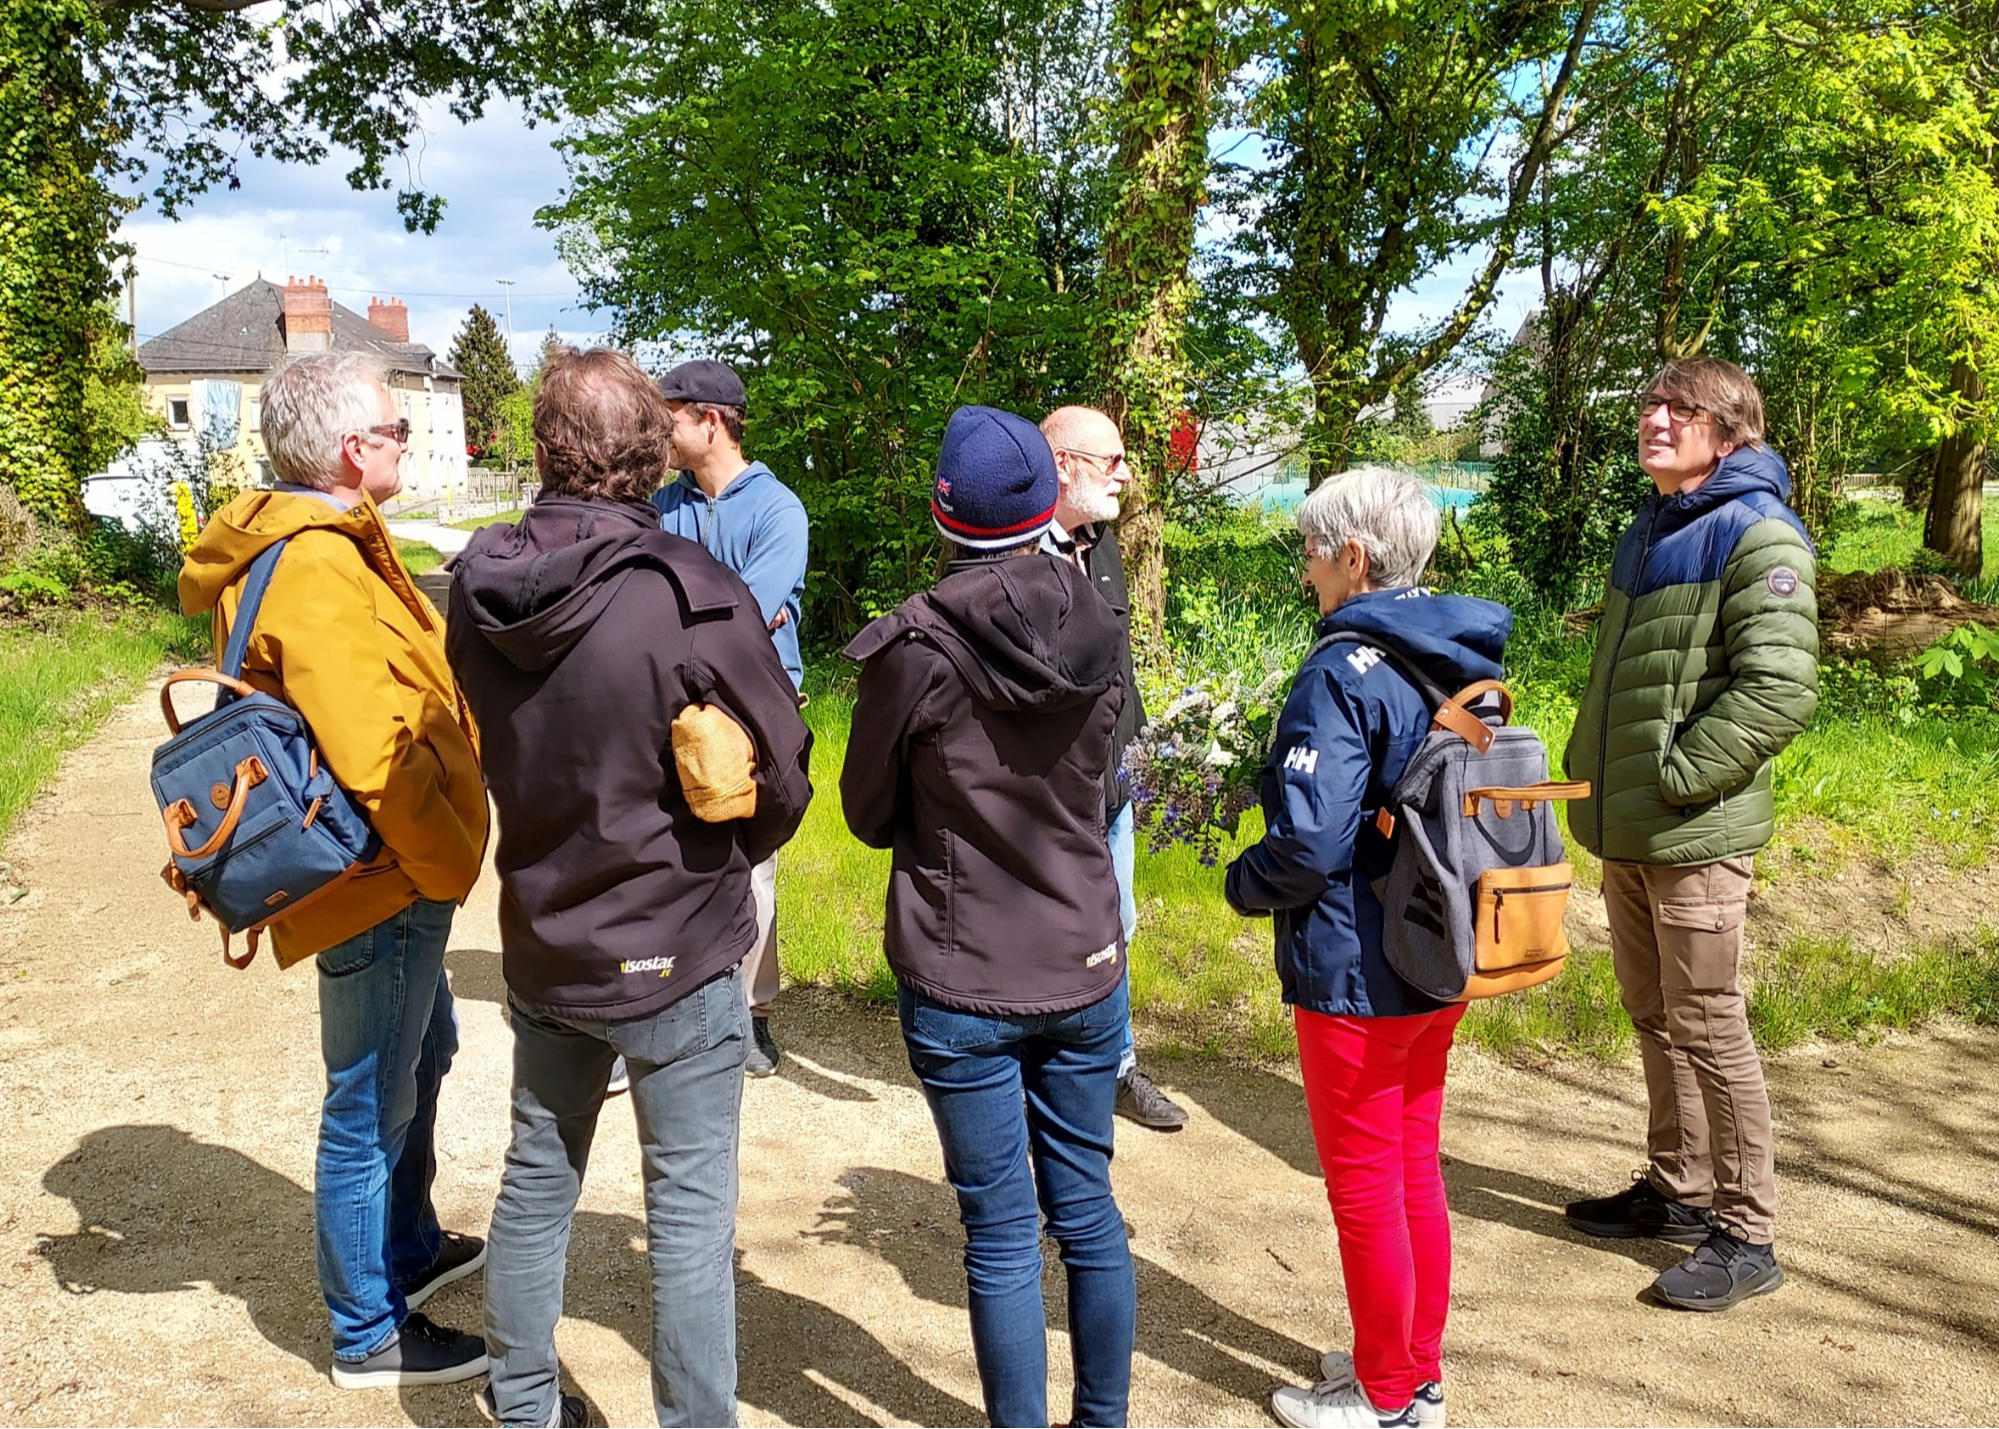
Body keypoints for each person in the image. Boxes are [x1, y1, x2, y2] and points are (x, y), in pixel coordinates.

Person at [446, 347, 813, 1427]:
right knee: (690, 1217)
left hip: (546, 922)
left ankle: (522, 1405)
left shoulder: (480, 578)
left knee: (536, 1174)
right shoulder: (687, 588)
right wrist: (735, 854)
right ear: (652, 448)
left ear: (546, 446)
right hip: (676, 936)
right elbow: (781, 767)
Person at [178, 352, 491, 1389]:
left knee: (428, 1046)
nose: (407, 441)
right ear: (354, 449)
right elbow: (372, 752)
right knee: (366, 1102)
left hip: (387, 873)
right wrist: (446, 858)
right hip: (380, 877)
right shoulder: (313, 562)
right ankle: (369, 1330)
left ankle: (405, 1246)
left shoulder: (322, 540)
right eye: (398, 430)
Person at [840, 405, 1136, 1428]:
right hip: (1084, 948)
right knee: (1088, 1214)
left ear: (941, 513)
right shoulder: (1099, 619)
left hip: (964, 972)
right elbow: (1105, 789)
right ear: (1051, 503)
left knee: (1003, 1232)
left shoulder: (912, 650)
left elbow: (868, 811)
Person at [1225, 467, 1513, 1429]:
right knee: (1412, 1169)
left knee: (1364, 1190)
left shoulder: (1340, 667)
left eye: (1310, 551)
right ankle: (1411, 1367)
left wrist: (1242, 882)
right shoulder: (1454, 651)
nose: (1304, 570)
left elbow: (1307, 843)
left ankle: (1386, 1399)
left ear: (1352, 557)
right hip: (1445, 941)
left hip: (1355, 964)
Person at [1561, 358, 1818, 1311]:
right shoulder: (1653, 527)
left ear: (1729, 431)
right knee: (1655, 1012)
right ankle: (1677, 1186)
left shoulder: (1758, 535)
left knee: (1709, 1022)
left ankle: (1746, 1229)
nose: (1654, 419)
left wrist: (1677, 778)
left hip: (1692, 828)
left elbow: (1780, 688)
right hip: (1630, 825)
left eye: (1679, 408)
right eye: (1649, 404)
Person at [650, 357, 809, 1081]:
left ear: (708, 422)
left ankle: (750, 1015)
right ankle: (674, 1000)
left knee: (755, 866)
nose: (660, 430)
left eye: (670, 416)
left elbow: (746, 613)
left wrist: (687, 617)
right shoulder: (663, 508)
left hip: (757, 710)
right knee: (676, 859)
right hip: (676, 709)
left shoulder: (778, 509)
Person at [1039, 405, 1190, 1131]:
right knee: (1053, 931)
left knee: (1117, 924)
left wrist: (1138, 754)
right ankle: (1051, 1068)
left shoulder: (1102, 545)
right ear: (1062, 465)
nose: (1125, 475)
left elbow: (1119, 668)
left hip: (1112, 785)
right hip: (1043, 796)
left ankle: (1118, 1065)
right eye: (1112, 462)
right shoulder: (1007, 553)